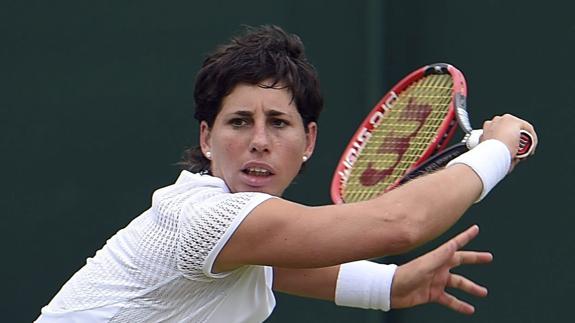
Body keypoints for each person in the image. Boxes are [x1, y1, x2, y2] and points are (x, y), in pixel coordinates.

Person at [36, 25, 537, 322]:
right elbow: (399, 225)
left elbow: (286, 267)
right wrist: (496, 151)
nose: (258, 139)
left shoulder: (244, 246)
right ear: (207, 139)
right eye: (239, 122)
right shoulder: (204, 218)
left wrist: (392, 286)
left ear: (309, 143)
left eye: (278, 123)